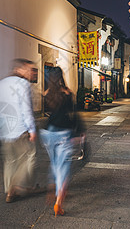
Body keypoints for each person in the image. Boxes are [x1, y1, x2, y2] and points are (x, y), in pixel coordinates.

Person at [0, 58, 37, 203]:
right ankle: (15, 187)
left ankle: (9, 190)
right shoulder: (22, 84)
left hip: (5, 131)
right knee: (29, 157)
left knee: (10, 161)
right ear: (20, 69)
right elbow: (26, 108)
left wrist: (0, 124)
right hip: (20, 130)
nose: (31, 73)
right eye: (29, 69)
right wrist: (32, 129)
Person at [40, 67, 75, 217]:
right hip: (63, 132)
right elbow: (73, 114)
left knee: (54, 163)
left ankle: (53, 188)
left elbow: (49, 112)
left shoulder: (46, 94)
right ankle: (58, 203)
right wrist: (79, 132)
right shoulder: (67, 93)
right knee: (63, 167)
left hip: (48, 132)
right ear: (61, 77)